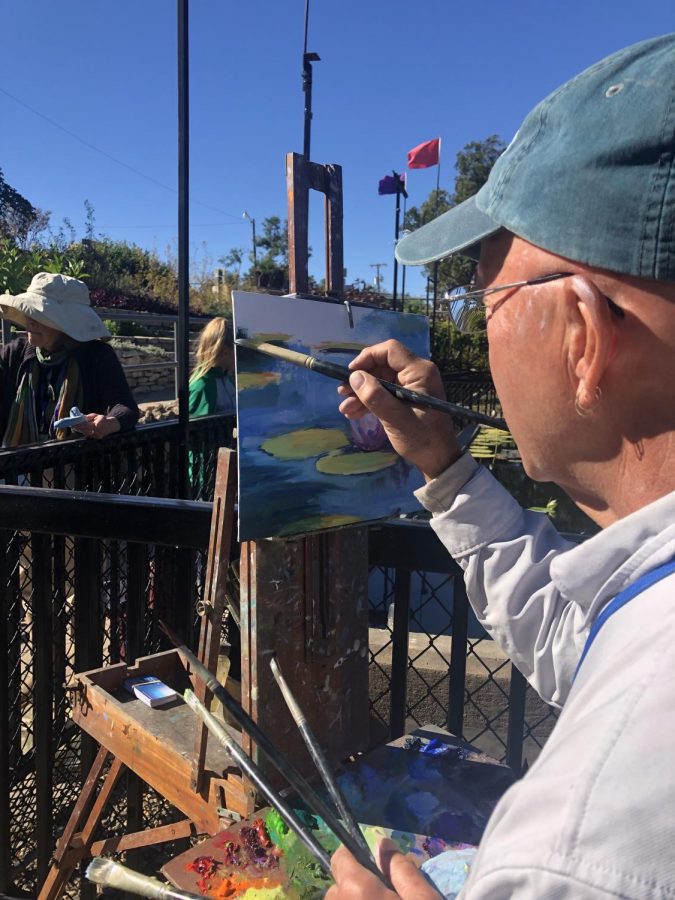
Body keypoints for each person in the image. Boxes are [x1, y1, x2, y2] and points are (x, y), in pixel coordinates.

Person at [328, 34, 675, 900]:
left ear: (584, 338)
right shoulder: (648, 617)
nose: (477, 326)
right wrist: (444, 468)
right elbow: (588, 642)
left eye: (486, 296)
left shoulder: (576, 849)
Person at [0, 272, 139, 446]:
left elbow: (125, 407)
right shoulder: (15, 353)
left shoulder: (97, 355)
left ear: (65, 324)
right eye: (30, 312)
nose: (30, 321)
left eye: (39, 315)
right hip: (19, 464)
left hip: (76, 464)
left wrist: (108, 423)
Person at [188, 316, 236, 417]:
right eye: (237, 349)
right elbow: (198, 429)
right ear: (225, 351)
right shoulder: (202, 388)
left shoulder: (228, 378)